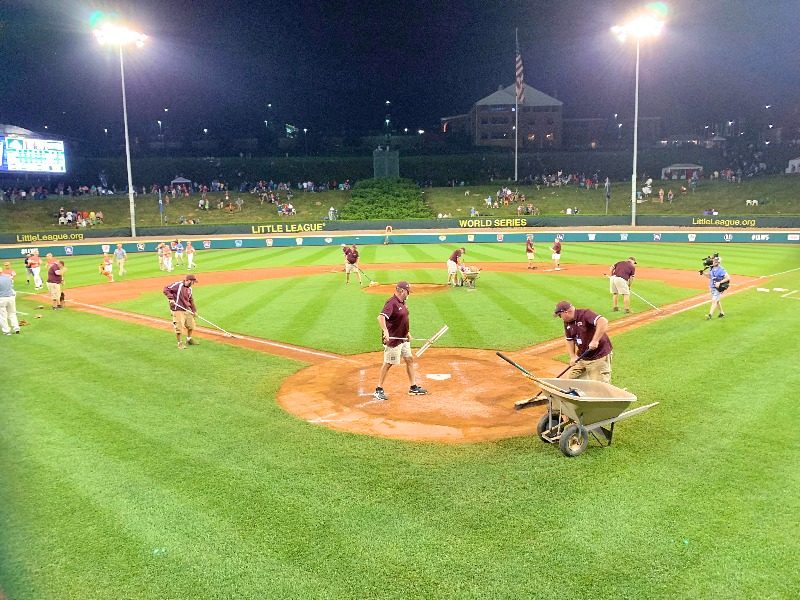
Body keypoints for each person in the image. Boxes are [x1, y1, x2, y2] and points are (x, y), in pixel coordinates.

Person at [373, 281, 428, 400]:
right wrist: (386, 332)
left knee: (409, 359)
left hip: (403, 338)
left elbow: (403, 319)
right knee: (388, 363)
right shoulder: (391, 303)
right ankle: (378, 389)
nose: (409, 293)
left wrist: (407, 333)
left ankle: (413, 387)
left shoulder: (403, 302)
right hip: (394, 340)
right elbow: (381, 317)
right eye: (408, 291)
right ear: (402, 291)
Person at [553, 300, 613, 382]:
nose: (560, 318)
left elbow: (603, 321)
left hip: (598, 356)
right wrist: (572, 357)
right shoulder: (567, 322)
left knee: (599, 385)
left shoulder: (585, 314)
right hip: (583, 356)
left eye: (560, 315)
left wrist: (595, 340)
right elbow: (569, 339)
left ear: (566, 312)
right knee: (570, 380)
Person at [163, 274, 199, 349]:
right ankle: (180, 343)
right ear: (188, 280)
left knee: (191, 325)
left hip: (186, 309)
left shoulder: (190, 289)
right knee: (179, 327)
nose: (193, 284)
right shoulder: (178, 285)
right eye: (193, 282)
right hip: (177, 309)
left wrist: (194, 310)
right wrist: (171, 298)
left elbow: (191, 300)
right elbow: (166, 289)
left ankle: (189, 339)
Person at [0, 268, 21, 335]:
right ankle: (16, 328)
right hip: (11, 297)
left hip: (2, 299)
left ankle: (6, 331)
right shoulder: (8, 278)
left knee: (3, 315)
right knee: (12, 313)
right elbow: (11, 287)